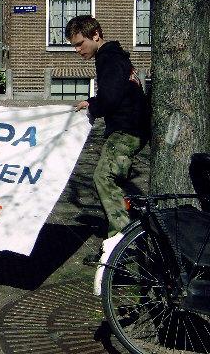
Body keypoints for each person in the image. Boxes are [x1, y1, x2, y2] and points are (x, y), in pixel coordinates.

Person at [65, 15, 149, 263]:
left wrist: (92, 105)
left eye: (80, 44)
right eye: (74, 46)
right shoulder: (113, 57)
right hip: (131, 127)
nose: (77, 50)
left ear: (96, 35)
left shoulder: (110, 59)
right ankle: (123, 240)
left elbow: (110, 98)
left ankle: (124, 245)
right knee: (113, 180)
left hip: (127, 129)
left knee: (103, 177)